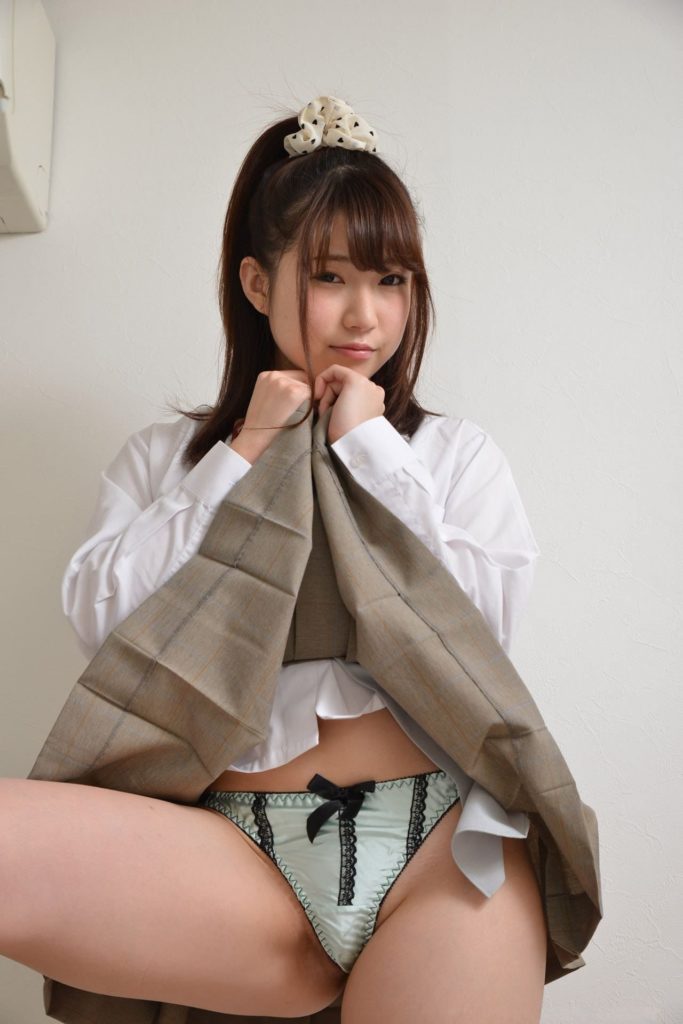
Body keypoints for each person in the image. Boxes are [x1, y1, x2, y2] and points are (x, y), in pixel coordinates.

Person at [1, 96, 548, 1022]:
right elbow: (109, 629)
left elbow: (480, 637)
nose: (367, 314)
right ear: (258, 284)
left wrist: (374, 450)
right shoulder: (166, 461)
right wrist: (244, 451)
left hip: (439, 851)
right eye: (330, 277)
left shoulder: (450, 456)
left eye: (392, 280)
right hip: (233, 856)